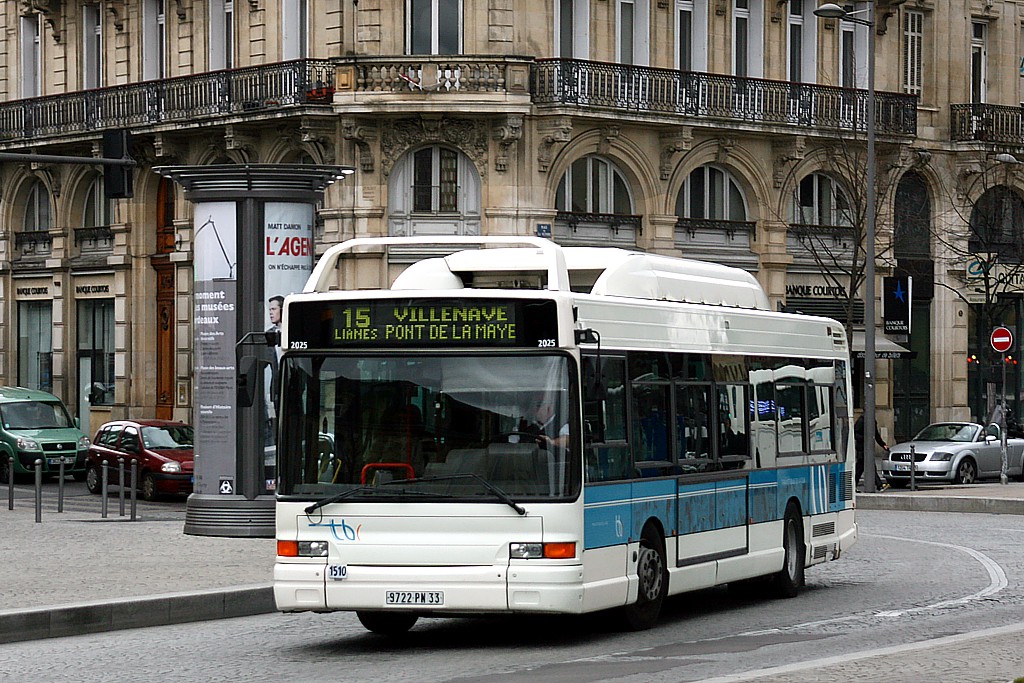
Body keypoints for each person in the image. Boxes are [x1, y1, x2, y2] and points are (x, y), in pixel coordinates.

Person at [854, 413, 888, 490]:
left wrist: (883, 444)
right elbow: (855, 434)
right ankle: (879, 485)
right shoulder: (861, 421)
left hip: (866, 448)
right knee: (869, 467)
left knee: (860, 469)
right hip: (862, 448)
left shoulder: (871, 421)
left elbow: (876, 434)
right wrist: (865, 438)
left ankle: (852, 486)